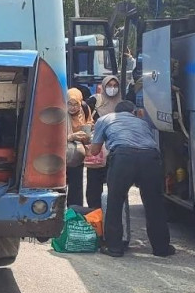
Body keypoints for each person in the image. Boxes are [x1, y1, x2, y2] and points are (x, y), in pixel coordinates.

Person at [89, 101, 175, 257]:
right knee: (154, 203)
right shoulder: (142, 123)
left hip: (123, 158)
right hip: (150, 158)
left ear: (116, 111)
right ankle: (161, 248)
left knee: (115, 201)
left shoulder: (105, 119)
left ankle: (114, 248)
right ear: (133, 112)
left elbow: (94, 151)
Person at [85, 75, 123, 208]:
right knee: (94, 185)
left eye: (115, 86)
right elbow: (84, 114)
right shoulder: (96, 100)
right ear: (104, 86)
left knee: (114, 184)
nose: (112, 89)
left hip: (114, 148)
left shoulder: (121, 103)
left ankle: (111, 213)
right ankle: (94, 213)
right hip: (98, 147)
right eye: (109, 86)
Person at [66, 88, 93, 207]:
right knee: (60, 185)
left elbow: (89, 122)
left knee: (76, 186)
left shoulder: (85, 109)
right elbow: (52, 136)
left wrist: (87, 133)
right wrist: (71, 136)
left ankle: (74, 214)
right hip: (60, 156)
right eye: (69, 104)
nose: (72, 107)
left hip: (77, 155)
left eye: (75, 104)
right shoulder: (59, 113)